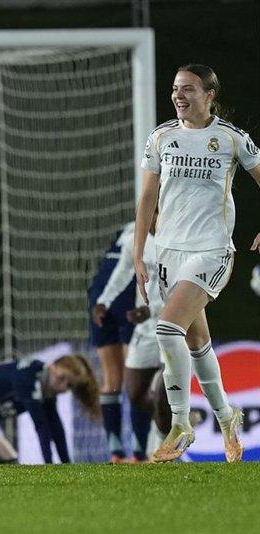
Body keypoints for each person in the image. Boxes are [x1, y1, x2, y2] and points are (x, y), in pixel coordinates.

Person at [135, 64, 260, 463]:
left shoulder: (231, 139)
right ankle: (226, 418)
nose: (179, 95)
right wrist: (139, 253)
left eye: (188, 88)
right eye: (176, 88)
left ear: (209, 95)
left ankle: (180, 423)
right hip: (169, 253)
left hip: (211, 251)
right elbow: (147, 198)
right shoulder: (161, 137)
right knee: (196, 342)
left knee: (167, 328)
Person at [94, 211, 162, 462]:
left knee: (164, 388)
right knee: (133, 391)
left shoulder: (179, 240)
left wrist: (152, 310)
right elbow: (123, 270)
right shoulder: (137, 239)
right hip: (142, 327)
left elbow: (184, 290)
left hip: (169, 326)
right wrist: (103, 301)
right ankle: (130, 450)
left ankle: (161, 444)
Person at [88, 222, 137, 462]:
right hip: (128, 291)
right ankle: (141, 451)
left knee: (112, 380)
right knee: (138, 378)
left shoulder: (125, 230)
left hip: (100, 292)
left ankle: (115, 451)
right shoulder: (160, 225)